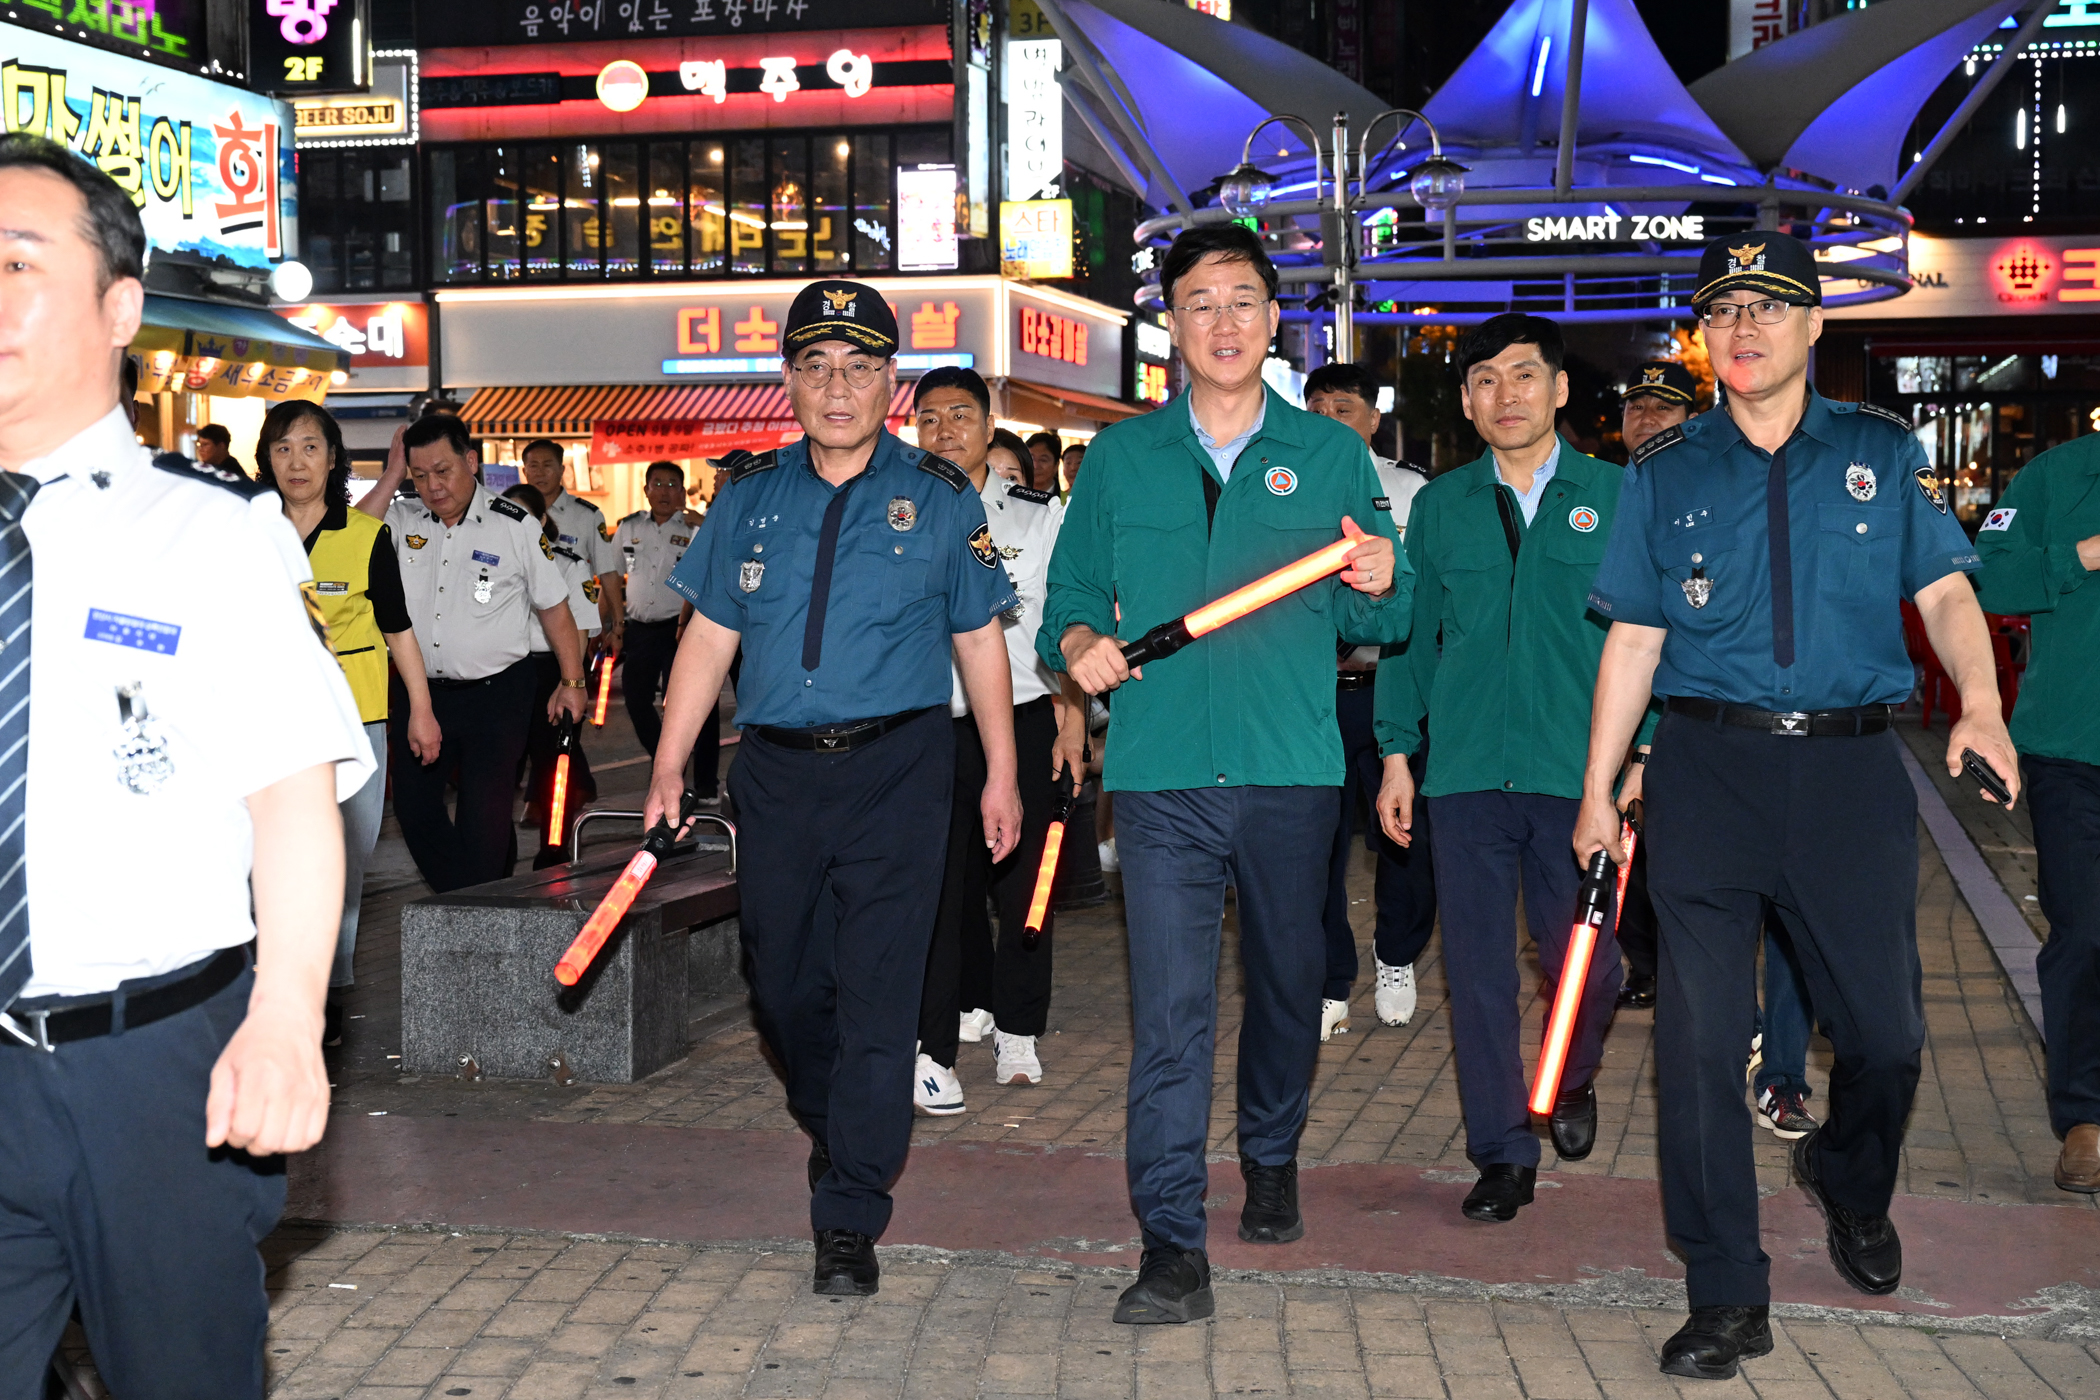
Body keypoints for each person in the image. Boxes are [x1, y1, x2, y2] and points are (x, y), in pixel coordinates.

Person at [1577, 232, 2017, 1379]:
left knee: (1887, 1034)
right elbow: (1633, 636)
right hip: (1708, 773)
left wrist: (1979, 702)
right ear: (1705, 334)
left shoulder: (1879, 450)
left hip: (1851, 776)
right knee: (1701, 1041)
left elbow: (1946, 588)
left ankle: (1848, 1175)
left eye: (1772, 306)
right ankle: (1725, 1287)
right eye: (1724, 310)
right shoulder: (1665, 473)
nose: (1747, 328)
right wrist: (1597, 790)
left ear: (1816, 325)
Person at [0, 134, 373, 1394]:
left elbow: (292, 796)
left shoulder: (207, 536)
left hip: (155, 1076)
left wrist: (285, 1017)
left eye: (17, 262)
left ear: (118, 307)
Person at [1042, 224, 1406, 1325]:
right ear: (1173, 320)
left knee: (1292, 984)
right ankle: (1170, 1241)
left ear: (1273, 317)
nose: (1224, 322)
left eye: (1243, 300)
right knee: (1171, 1012)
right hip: (1160, 778)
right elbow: (1067, 600)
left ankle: (1273, 1147)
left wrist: (1385, 574)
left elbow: (1371, 611)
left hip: (1293, 768)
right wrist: (1076, 649)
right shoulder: (1120, 457)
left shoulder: (1332, 454)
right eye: (1200, 302)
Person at [645, 279, 1023, 1298]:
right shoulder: (748, 496)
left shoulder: (943, 498)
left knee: (878, 991)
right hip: (775, 775)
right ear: (791, 382)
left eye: (860, 366)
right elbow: (709, 636)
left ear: (889, 384)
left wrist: (1000, 770)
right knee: (780, 986)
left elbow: (979, 638)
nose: (838, 386)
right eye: (816, 366)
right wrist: (672, 762)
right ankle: (835, 1114)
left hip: (899, 770)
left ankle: (851, 1205)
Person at [1370, 313, 1643, 1226]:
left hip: (1581, 777)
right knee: (1479, 973)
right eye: (1485, 380)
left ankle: (1570, 1074)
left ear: (1560, 390)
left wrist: (1640, 758)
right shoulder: (1441, 507)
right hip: (1468, 777)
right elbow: (1412, 641)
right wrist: (1398, 752)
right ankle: (1501, 1152)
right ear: (1466, 400)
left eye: (1524, 377)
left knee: (1591, 967)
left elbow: (1655, 642)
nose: (1506, 396)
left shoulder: (1619, 497)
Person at [1611, 366, 1822, 1139]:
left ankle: (1785, 1075)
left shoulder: (1751, 486)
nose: (1648, 418)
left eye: (1663, 406)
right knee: (1695, 920)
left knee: (1796, 930)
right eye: (1637, 405)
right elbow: (1636, 641)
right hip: (1689, 750)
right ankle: (1743, 1032)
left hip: (1799, 749)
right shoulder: (1636, 491)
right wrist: (1636, 752)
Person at [910, 367, 1087, 1113]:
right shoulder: (894, 511)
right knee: (938, 893)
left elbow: (1069, 619)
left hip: (1022, 717)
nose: (944, 430)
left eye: (959, 415)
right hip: (925, 728)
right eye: (927, 418)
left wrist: (1073, 714)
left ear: (989, 427)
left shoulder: (1037, 517)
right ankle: (937, 1045)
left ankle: (1018, 1028)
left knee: (1026, 891)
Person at [256, 400, 441, 1046]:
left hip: (354, 725)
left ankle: (329, 988)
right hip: (267, 726)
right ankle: (277, 983)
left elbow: (399, 630)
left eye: (310, 447)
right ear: (266, 459)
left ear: (334, 459)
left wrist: (420, 708)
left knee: (345, 864)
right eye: (283, 448)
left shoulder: (365, 537)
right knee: (267, 860)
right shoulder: (249, 533)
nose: (296, 462)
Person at [385, 414, 588, 893]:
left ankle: (474, 914)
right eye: (419, 475)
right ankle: (468, 902)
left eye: (442, 470)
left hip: (497, 697)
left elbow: (555, 608)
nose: (432, 486)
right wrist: (393, 478)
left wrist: (572, 681)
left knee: (485, 818)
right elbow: (347, 535)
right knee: (413, 810)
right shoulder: (400, 518)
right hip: (420, 696)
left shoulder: (512, 524)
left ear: (471, 462)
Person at [1973, 435, 2100, 1193]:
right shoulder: (2058, 474)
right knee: (2084, 932)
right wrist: (2079, 556)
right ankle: (2085, 1118)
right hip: (2069, 753)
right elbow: (1984, 578)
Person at [1303, 361, 1434, 1037]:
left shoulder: (1408, 491)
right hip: (1313, 695)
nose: (1328, 419)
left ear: (1373, 419)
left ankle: (1397, 954)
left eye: (1343, 409)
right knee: (1316, 837)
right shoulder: (1290, 487)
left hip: (1390, 685)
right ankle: (1331, 974)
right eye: (1316, 407)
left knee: (1404, 835)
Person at [503, 483, 604, 867]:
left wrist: (569, 681)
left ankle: (553, 850)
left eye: (521, 514)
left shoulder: (568, 563)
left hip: (553, 672)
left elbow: (579, 627)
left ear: (542, 521)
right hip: (506, 672)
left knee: (553, 766)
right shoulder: (487, 561)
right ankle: (498, 852)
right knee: (503, 767)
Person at [617, 462, 721, 800]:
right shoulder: (629, 527)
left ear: (682, 490)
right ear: (646, 489)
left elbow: (720, 560)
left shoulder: (696, 528)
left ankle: (706, 784)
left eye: (672, 484)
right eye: (657, 483)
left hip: (683, 630)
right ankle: (668, 759)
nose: (664, 490)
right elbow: (611, 577)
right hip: (640, 629)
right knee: (635, 700)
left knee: (697, 704)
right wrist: (611, 625)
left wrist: (705, 525)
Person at [519, 438, 624, 645]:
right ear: (524, 471)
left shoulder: (587, 516)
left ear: (562, 470)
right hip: (522, 630)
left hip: (573, 627)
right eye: (533, 466)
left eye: (547, 465)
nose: (540, 472)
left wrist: (618, 625)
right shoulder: (512, 513)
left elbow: (607, 572)